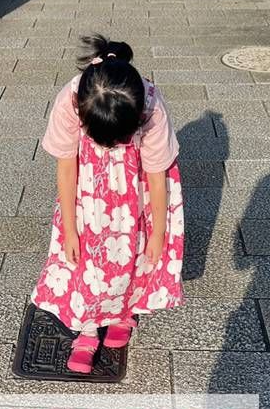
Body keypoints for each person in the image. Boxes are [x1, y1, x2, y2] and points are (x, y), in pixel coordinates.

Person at [31, 34, 185, 374]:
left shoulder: (151, 106)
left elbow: (157, 177)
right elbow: (66, 165)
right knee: (85, 257)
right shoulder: (72, 100)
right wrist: (70, 229)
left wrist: (158, 232)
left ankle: (123, 313)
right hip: (89, 192)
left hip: (137, 189)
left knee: (135, 252)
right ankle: (87, 327)